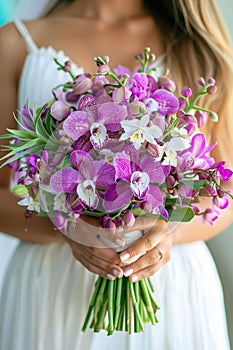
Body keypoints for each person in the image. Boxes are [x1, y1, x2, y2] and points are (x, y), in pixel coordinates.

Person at [0, 0, 233, 349]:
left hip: (171, 285)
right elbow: (2, 193)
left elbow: (224, 192)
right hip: (49, 288)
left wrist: (171, 228)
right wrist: (65, 225)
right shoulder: (14, 43)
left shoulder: (194, 44)